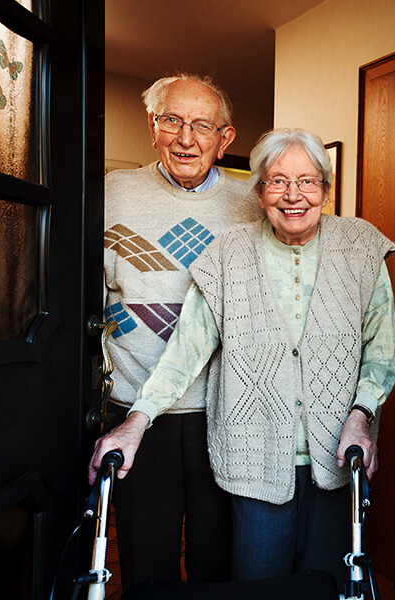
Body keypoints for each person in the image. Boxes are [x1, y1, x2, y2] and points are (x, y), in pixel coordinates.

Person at [90, 128, 395, 587]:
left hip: (338, 457)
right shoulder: (226, 255)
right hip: (255, 460)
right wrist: (136, 422)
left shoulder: (361, 247)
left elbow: (383, 351)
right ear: (258, 192)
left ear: (326, 189)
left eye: (308, 181)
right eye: (277, 181)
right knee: (259, 584)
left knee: (329, 585)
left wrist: (361, 415)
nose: (293, 195)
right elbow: (186, 350)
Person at [94, 73, 262, 590]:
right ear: (152, 127)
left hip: (224, 409)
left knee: (219, 560)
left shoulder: (253, 206)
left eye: (202, 125)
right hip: (136, 409)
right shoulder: (108, 193)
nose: (186, 138)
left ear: (225, 138)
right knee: (147, 560)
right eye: (172, 121)